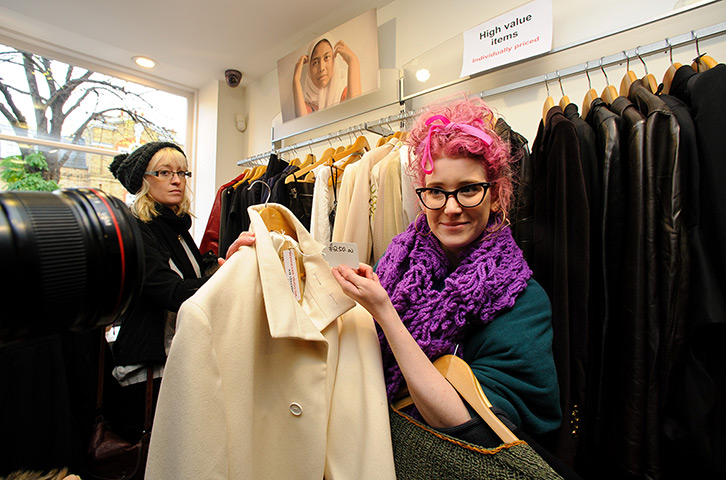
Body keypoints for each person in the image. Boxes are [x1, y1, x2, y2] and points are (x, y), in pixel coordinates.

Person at [330, 96, 562, 445]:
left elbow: (472, 428)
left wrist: (385, 314)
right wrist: (269, 260)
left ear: (496, 195)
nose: (451, 208)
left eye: (468, 190)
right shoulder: (394, 266)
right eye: (436, 192)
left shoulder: (523, 302)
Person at [107, 141, 247, 442]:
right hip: (147, 370)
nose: (177, 180)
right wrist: (230, 277)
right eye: (165, 172)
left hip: (176, 360)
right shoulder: (137, 230)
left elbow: (196, 274)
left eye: (182, 172)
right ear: (144, 181)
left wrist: (231, 259)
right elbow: (172, 290)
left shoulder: (175, 227)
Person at [292, 37, 361, 117]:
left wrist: (353, 62)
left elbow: (355, 115)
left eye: (326, 58)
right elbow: (302, 125)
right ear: (309, 69)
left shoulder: (343, 93)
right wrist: (296, 80)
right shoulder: (308, 104)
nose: (321, 68)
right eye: (315, 62)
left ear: (334, 61)